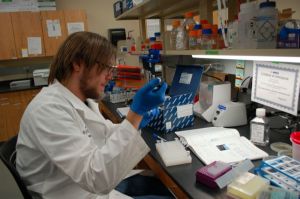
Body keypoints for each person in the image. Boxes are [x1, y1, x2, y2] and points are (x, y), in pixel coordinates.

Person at [16, 31, 170, 199]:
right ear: (77, 64)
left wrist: (136, 122)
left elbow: (103, 133)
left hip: (88, 187)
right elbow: (96, 178)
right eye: (105, 67)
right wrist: (134, 116)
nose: (110, 76)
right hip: (77, 192)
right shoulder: (48, 110)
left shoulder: (80, 101)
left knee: (162, 187)